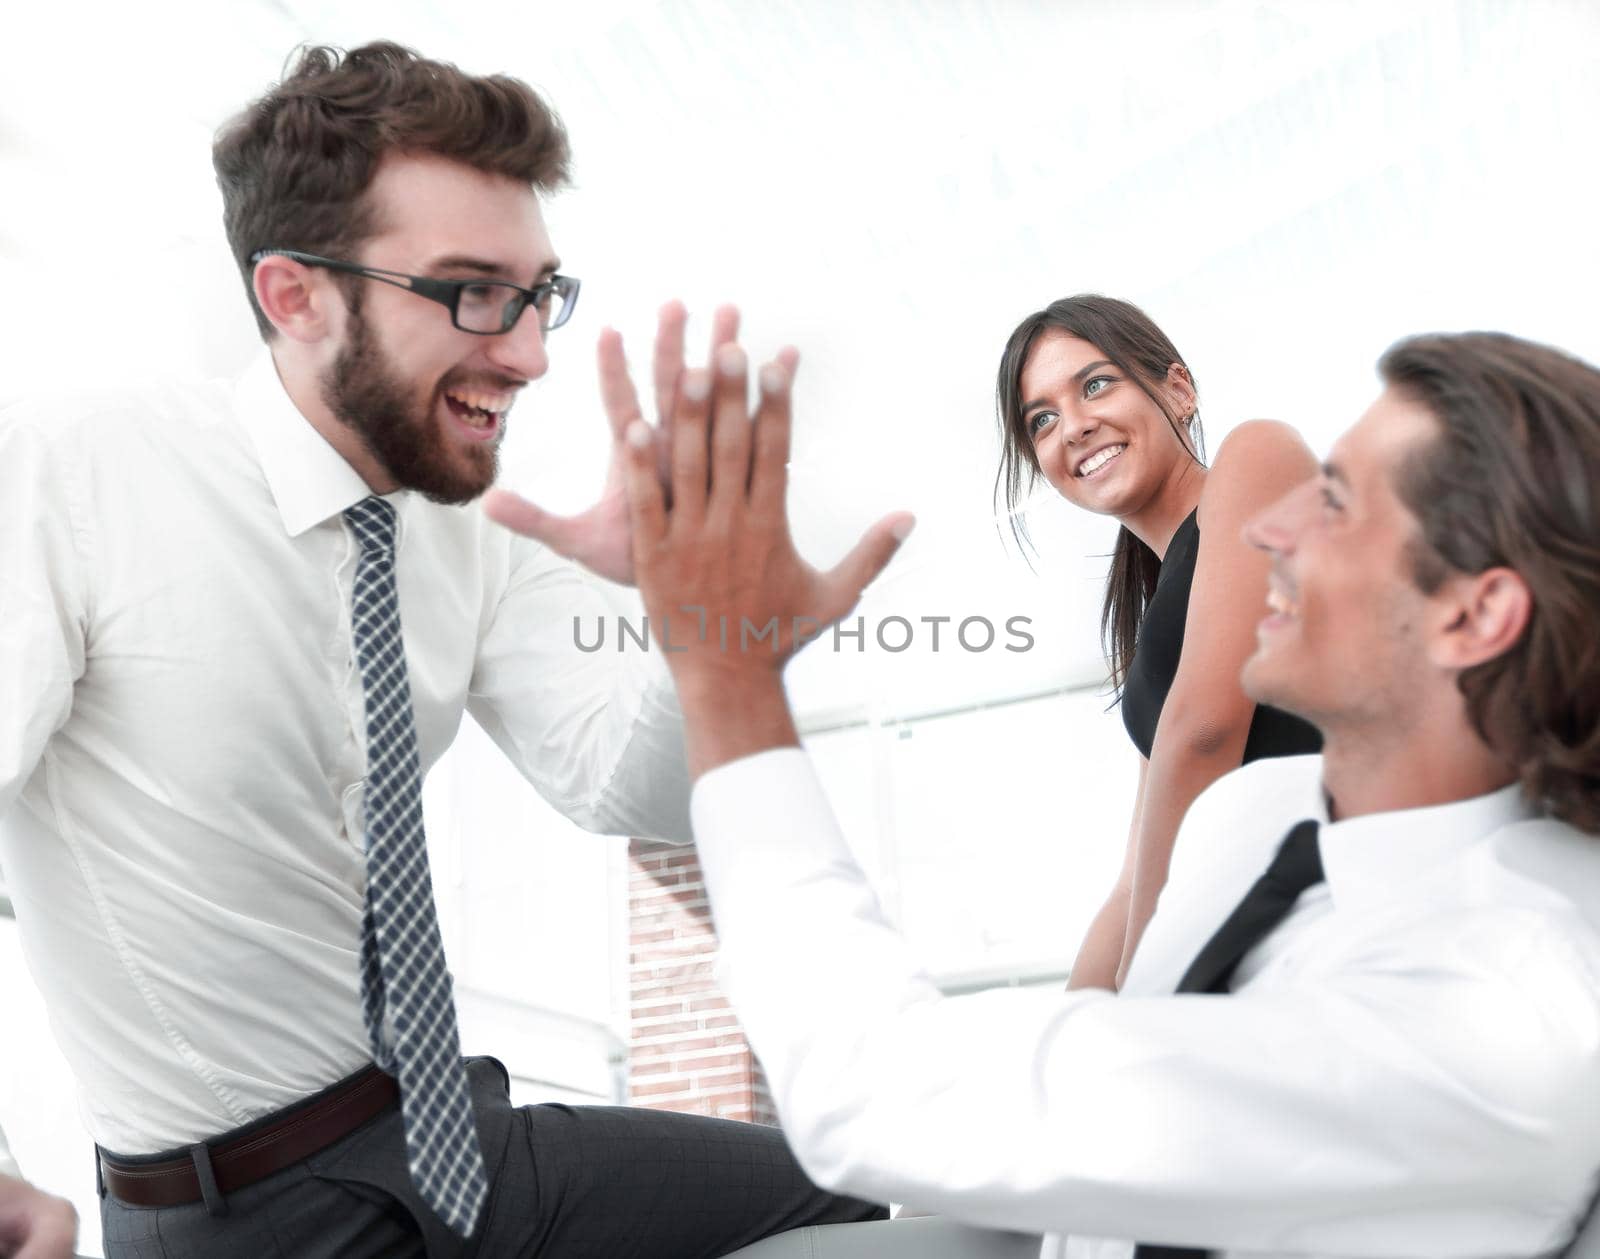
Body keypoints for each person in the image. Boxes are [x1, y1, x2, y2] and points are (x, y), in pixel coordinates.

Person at [0, 41, 880, 1259]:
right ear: (295, 296)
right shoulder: (74, 475)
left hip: (455, 1131)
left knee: (845, 1191)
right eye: (472, 292)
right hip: (248, 1203)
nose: (527, 353)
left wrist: (707, 631)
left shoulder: (464, 531)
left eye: (537, 295)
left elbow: (625, 785)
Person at [605, 329, 1600, 1255]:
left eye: (1333, 500)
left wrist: (725, 675)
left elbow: (877, 1089)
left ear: (1476, 615)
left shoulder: (1502, 1012)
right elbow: (1099, 1000)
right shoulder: (1257, 821)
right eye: (1038, 414)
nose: (1270, 529)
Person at [995, 295, 1321, 990]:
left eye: (1096, 383)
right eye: (1042, 420)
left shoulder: (1258, 455)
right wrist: (1082, 1021)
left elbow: (1205, 733)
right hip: (1264, 949)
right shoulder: (1154, 640)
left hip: (1345, 919)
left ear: (1179, 389)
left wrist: (1148, 992)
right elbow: (1135, 873)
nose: (1074, 427)